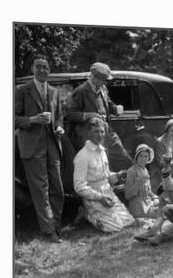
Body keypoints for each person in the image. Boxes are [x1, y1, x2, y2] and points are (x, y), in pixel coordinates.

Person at [14, 56, 65, 242]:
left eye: (46, 67)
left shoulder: (54, 91)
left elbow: (59, 115)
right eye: (39, 67)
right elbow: (12, 117)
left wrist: (60, 126)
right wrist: (32, 120)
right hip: (32, 146)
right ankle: (50, 230)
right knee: (40, 189)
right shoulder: (21, 90)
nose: (43, 70)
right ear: (32, 69)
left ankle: (57, 225)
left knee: (57, 188)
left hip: (52, 144)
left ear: (49, 70)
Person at [65, 62, 133, 171]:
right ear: (94, 77)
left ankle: (131, 180)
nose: (105, 82)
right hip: (90, 135)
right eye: (103, 79)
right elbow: (70, 114)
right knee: (97, 165)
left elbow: (108, 103)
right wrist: (89, 115)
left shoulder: (103, 88)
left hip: (107, 130)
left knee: (123, 157)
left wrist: (115, 109)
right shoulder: (81, 91)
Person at [73, 117, 134, 233]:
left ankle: (104, 216)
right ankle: (86, 214)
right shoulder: (82, 156)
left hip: (108, 194)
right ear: (88, 133)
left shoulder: (102, 151)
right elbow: (79, 187)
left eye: (102, 131)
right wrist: (100, 198)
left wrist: (118, 175)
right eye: (96, 132)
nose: (100, 135)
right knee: (115, 228)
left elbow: (106, 177)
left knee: (128, 221)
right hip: (94, 199)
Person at [124, 144, 160, 218]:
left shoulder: (145, 170)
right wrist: (138, 183)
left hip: (148, 204)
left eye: (145, 156)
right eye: (141, 156)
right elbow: (127, 195)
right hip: (138, 208)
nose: (143, 158)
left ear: (148, 158)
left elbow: (148, 191)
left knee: (166, 207)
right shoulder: (132, 171)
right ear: (137, 157)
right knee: (162, 213)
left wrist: (155, 197)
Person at [150, 119, 173, 193]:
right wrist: (172, 164)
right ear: (167, 130)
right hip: (158, 172)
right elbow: (160, 162)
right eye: (172, 131)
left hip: (170, 169)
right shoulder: (160, 142)